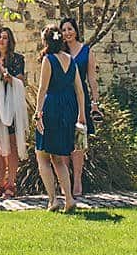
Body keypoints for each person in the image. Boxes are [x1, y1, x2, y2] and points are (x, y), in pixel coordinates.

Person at [32, 24, 87, 211]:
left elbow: (43, 88)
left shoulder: (48, 60)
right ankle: (69, 198)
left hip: (52, 106)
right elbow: (79, 89)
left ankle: (53, 199)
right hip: (68, 108)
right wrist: (81, 113)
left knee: (42, 155)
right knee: (59, 157)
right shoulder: (71, 60)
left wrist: (38, 113)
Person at [59, 15, 102, 199]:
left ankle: (77, 179)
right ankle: (65, 179)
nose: (67, 33)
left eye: (70, 29)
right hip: (62, 98)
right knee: (63, 141)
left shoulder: (86, 51)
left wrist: (95, 102)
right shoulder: (58, 52)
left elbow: (92, 78)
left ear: (76, 30)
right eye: (64, 30)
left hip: (81, 98)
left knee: (79, 140)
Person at [0, 25, 27, 198]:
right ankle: (0, 183)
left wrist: (8, 77)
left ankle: (11, 183)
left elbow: (20, 81)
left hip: (11, 106)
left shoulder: (17, 59)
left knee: (11, 145)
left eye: (5, 38)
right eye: (0, 37)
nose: (2, 40)